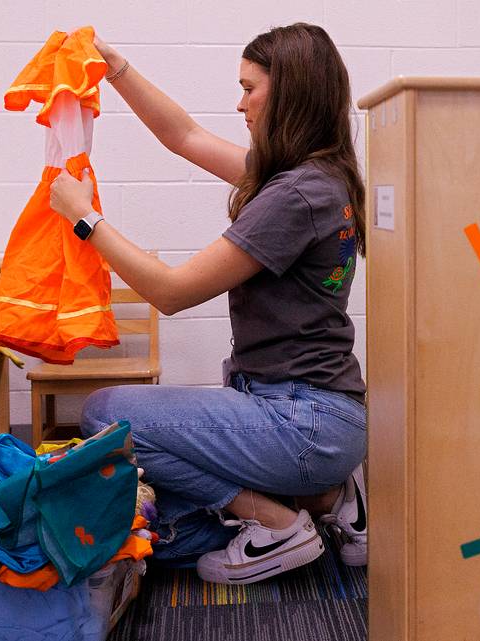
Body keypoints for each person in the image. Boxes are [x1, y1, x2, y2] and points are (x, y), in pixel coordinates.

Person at [47, 23, 368, 585]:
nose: (240, 103)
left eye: (250, 89)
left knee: (105, 415)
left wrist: (84, 218)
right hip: (319, 412)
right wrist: (115, 68)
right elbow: (184, 136)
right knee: (160, 514)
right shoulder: (318, 177)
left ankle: (277, 523)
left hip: (301, 420)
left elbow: (173, 292)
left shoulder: (293, 195)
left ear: (288, 93)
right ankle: (327, 498)